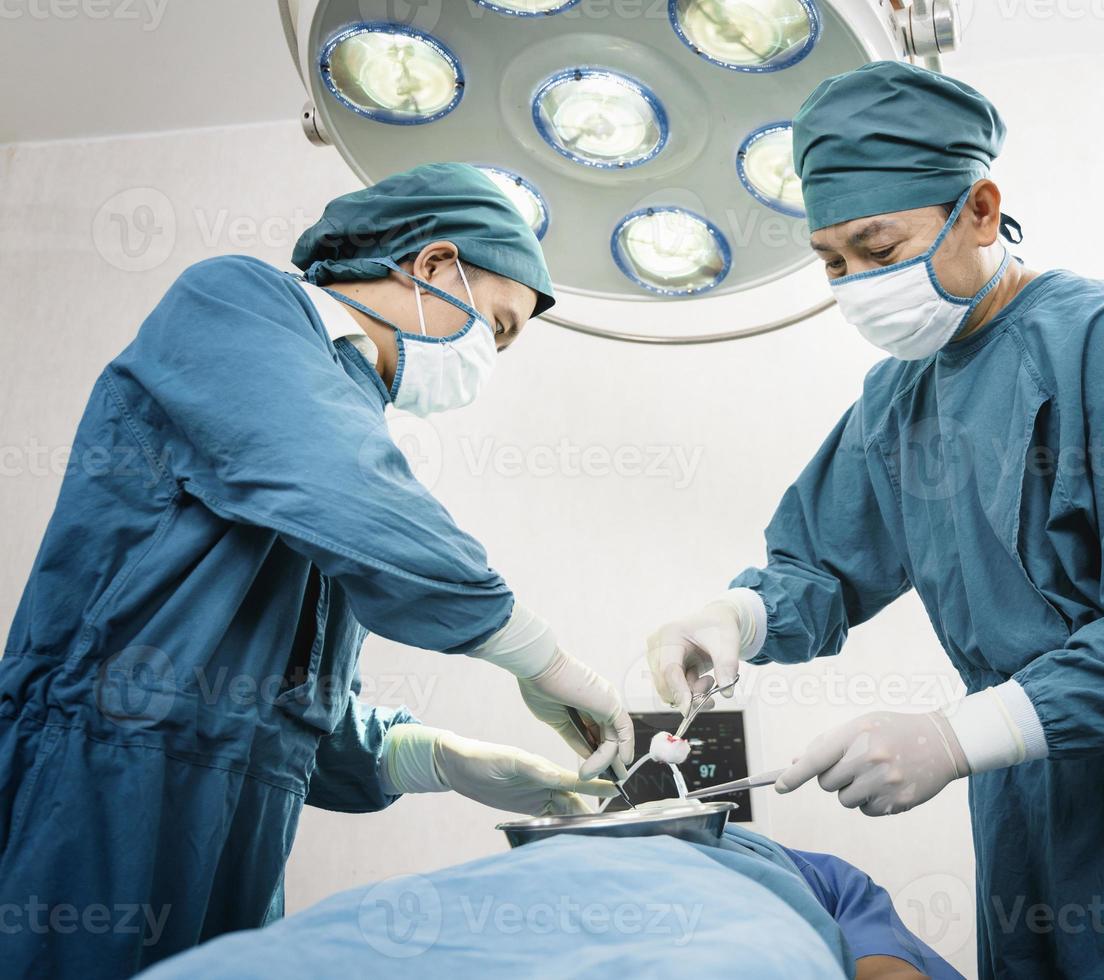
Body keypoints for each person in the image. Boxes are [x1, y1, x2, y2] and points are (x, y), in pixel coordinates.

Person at [646, 62, 1104, 978]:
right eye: (833, 263)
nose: (857, 285)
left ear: (982, 210)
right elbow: (823, 567)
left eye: (879, 250)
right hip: (1026, 803)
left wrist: (955, 736)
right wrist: (732, 621)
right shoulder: (897, 398)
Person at [0, 163, 634, 975]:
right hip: (101, 781)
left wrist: (438, 757)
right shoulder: (236, 305)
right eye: (499, 328)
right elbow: (349, 498)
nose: (492, 358)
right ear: (436, 266)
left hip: (243, 819)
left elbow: (284, 709)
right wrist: (540, 658)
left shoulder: (344, 430)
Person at [137, 823, 963, 980]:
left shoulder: (800, 868)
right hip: (514, 897)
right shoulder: (559, 844)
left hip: (726, 910)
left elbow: (889, 970)